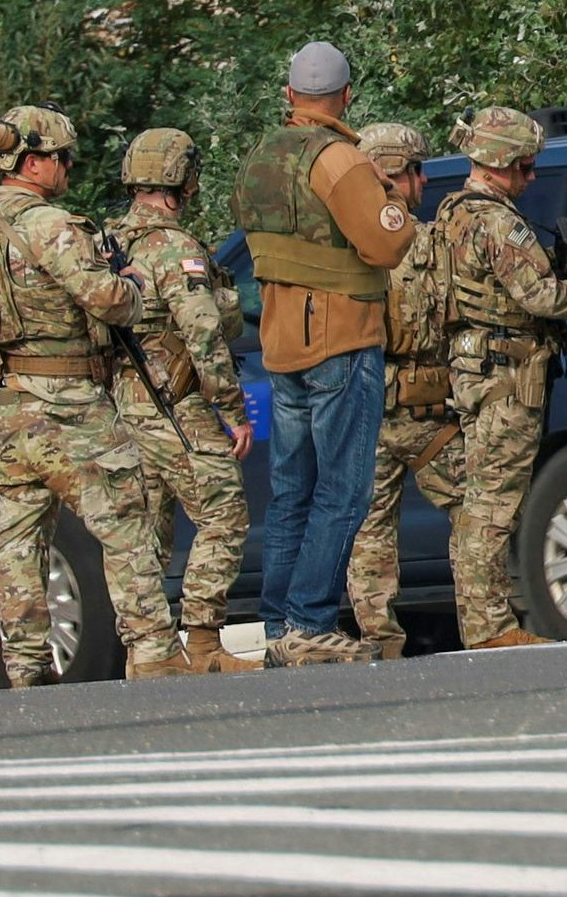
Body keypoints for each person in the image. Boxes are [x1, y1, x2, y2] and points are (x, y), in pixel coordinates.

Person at [0, 106, 184, 682]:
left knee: (18, 535)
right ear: (35, 161)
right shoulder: (49, 225)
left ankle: (26, 666)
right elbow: (106, 299)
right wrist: (135, 287)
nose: (67, 168)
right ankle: (154, 653)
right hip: (68, 403)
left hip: (6, 403)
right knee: (125, 518)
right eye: (63, 158)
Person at [226, 41, 412, 669]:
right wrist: (397, 206)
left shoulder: (259, 156)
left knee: (291, 491)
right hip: (342, 340)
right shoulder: (337, 157)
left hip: (281, 342)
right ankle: (309, 622)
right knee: (343, 490)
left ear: (288, 95)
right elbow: (385, 245)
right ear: (346, 96)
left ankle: (278, 623)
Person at [424, 106, 567, 647]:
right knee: (492, 503)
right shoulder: (499, 222)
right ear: (500, 163)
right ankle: (488, 628)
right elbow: (539, 296)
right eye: (525, 166)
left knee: (480, 499)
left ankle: (483, 617)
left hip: (474, 369)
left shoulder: (450, 212)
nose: (530, 177)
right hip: (506, 374)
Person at [106, 128, 258, 673]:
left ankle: (145, 652)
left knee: (147, 530)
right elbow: (203, 334)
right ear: (182, 179)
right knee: (224, 513)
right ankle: (202, 641)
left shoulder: (106, 242)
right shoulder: (174, 248)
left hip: (120, 408)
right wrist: (234, 411)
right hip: (174, 404)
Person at [347, 120, 453, 657]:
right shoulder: (426, 238)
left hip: (365, 407)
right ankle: (486, 620)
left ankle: (379, 639)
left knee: (368, 529)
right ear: (392, 175)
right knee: (479, 508)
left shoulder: (341, 242)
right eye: (415, 170)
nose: (424, 180)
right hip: (424, 410)